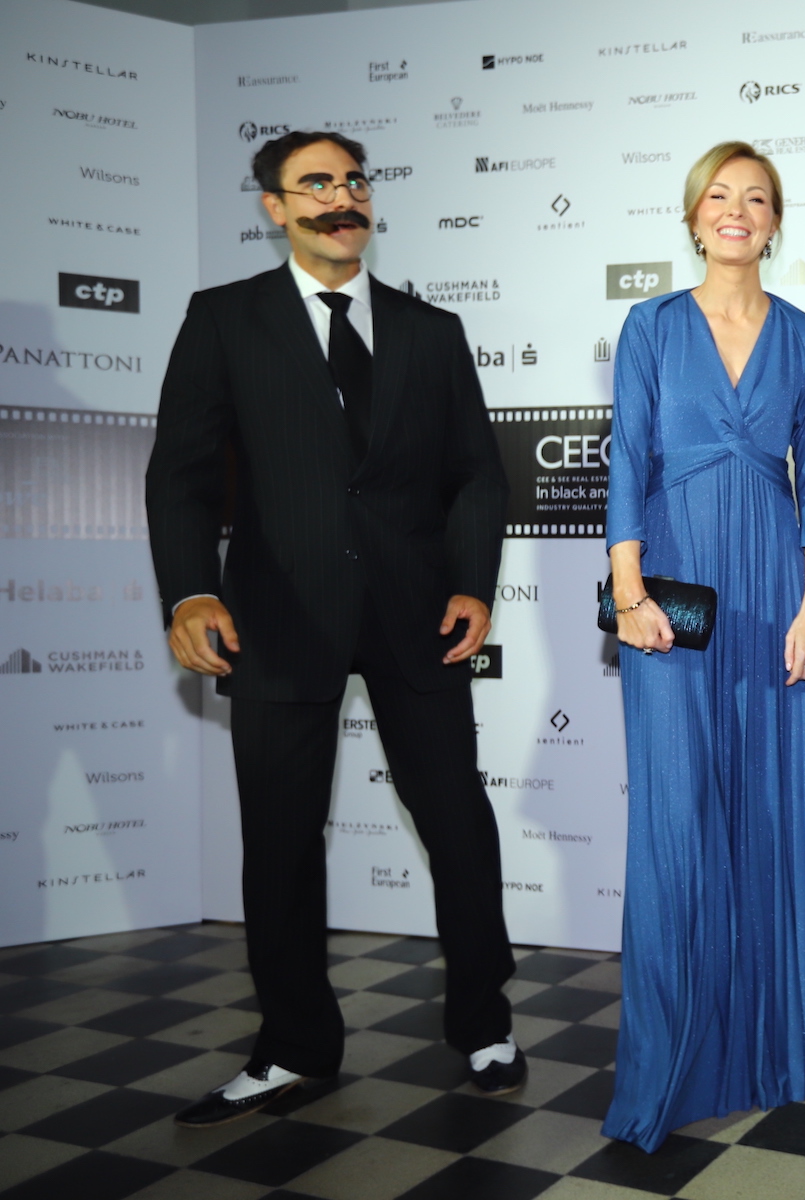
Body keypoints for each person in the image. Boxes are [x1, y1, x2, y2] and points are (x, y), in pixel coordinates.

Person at [147, 131, 523, 1128]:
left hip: (417, 615)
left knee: (459, 826)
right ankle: (293, 1045)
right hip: (275, 617)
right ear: (274, 207)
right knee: (278, 843)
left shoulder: (431, 330)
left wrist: (473, 584)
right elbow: (181, 473)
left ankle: (485, 1022)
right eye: (314, 184)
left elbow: (477, 475)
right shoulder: (223, 319)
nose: (340, 198)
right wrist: (187, 592)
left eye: (353, 180)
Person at [602, 141, 805, 1152]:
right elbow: (626, 457)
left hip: (774, 590)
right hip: (672, 591)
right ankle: (670, 1068)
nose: (735, 210)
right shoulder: (652, 326)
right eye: (718, 195)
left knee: (770, 817)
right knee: (676, 825)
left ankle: (777, 1052)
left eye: (756, 198)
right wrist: (627, 593)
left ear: (774, 222)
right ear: (694, 216)